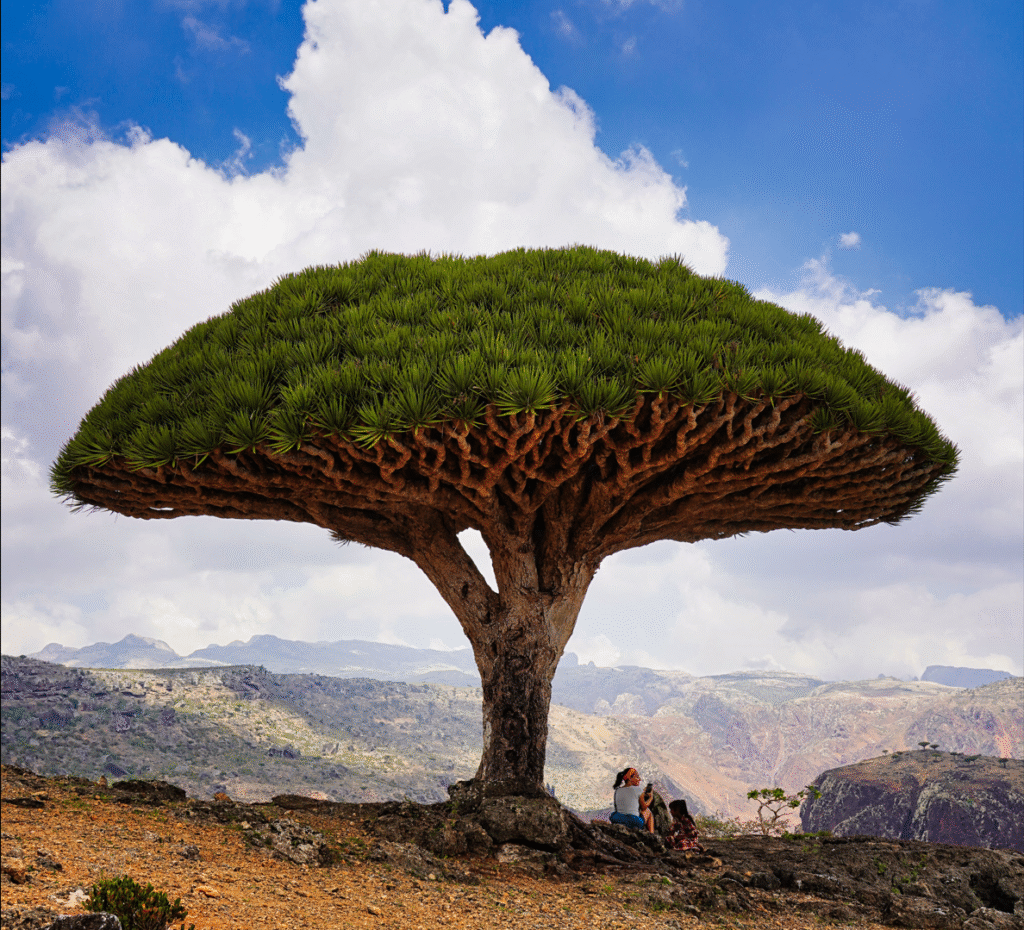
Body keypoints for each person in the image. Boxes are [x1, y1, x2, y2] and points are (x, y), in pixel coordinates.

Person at [610, 766, 655, 833]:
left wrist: (641, 794)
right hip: (633, 822)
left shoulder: (617, 790)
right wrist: (651, 797)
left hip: (619, 820)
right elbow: (644, 808)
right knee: (648, 812)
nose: (639, 779)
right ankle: (652, 835)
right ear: (630, 778)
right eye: (637, 777)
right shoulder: (638, 790)